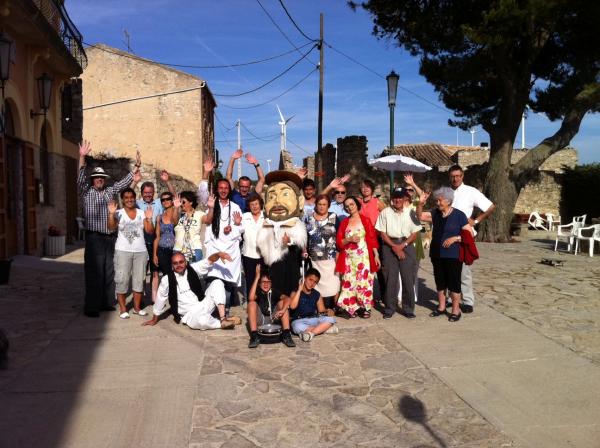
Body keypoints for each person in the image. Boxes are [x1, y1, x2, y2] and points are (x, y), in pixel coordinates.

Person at [77, 140, 139, 318]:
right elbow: (80, 177)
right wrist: (81, 156)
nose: (99, 180)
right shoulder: (86, 191)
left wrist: (135, 169)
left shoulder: (110, 191)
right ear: (92, 180)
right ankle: (92, 306)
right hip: (94, 237)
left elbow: (124, 184)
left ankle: (107, 302)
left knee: (109, 270)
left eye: (101, 178)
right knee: (94, 271)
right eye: (97, 177)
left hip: (110, 236)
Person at [142, 252, 242, 330]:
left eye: (181, 262)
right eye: (175, 263)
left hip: (202, 304)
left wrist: (218, 254)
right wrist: (154, 319)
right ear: (172, 265)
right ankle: (220, 324)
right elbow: (160, 298)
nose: (179, 265)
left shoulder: (193, 269)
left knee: (217, 282)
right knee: (202, 322)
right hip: (189, 315)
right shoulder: (166, 279)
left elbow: (208, 261)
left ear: (185, 262)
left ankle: (223, 318)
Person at [417, 188, 471, 322]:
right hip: (437, 253)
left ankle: (455, 310)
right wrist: (420, 204)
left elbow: (469, 235)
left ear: (448, 201)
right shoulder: (435, 213)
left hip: (453, 254)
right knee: (440, 281)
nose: (437, 202)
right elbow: (420, 216)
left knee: (454, 282)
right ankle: (441, 307)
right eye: (437, 200)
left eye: (440, 200)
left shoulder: (459, 215)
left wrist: (456, 238)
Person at [448, 165, 496, 313]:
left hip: (464, 235)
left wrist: (475, 221)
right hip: (448, 236)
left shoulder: (471, 191)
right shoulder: (446, 192)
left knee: (464, 270)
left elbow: (490, 207)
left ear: (462, 176)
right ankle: (451, 298)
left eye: (458, 176)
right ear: (449, 177)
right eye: (453, 176)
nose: (455, 179)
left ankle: (468, 301)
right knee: (449, 268)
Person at [256, 170, 307, 296]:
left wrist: (289, 241)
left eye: (285, 194)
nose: (277, 201)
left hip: (291, 265)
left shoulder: (296, 224)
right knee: (275, 289)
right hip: (273, 267)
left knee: (291, 287)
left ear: (299, 202)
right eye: (272, 196)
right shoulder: (266, 224)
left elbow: (302, 242)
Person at [375, 189, 422, 319]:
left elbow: (415, 234)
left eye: (400, 197)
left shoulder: (410, 212)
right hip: (389, 246)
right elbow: (382, 233)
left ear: (404, 199)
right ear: (392, 198)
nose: (397, 200)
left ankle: (408, 308)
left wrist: (402, 246)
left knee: (408, 278)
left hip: (406, 245)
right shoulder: (385, 212)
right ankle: (390, 308)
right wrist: (394, 247)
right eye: (395, 197)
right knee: (390, 278)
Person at [107, 188, 153, 319]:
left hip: (141, 251)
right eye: (126, 197)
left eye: (131, 197)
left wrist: (149, 219)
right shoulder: (118, 213)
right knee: (122, 279)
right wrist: (111, 214)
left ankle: (137, 308)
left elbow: (150, 231)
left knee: (139, 280)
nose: (129, 200)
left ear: (135, 197)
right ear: (122, 199)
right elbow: (111, 227)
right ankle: (123, 309)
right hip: (122, 251)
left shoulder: (141, 213)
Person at [335, 196, 381, 318]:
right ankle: (351, 307)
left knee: (364, 282)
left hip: (364, 257)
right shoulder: (345, 222)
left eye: (351, 204)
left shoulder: (365, 220)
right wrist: (349, 239)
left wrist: (376, 255)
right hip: (349, 258)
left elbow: (372, 238)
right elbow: (339, 242)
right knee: (349, 282)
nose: (349, 207)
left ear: (356, 205)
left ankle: (365, 307)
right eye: (347, 206)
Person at [204, 178, 243, 314]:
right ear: (217, 189)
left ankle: (224, 307)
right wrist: (210, 208)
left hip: (230, 249)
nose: (223, 190)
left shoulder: (235, 207)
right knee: (214, 277)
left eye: (226, 188)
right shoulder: (211, 204)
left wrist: (234, 226)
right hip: (214, 248)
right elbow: (207, 222)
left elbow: (241, 230)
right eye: (220, 188)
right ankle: (211, 306)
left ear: (229, 190)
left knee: (227, 279)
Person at [137, 172, 176, 303]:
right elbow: (125, 198)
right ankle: (140, 296)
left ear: (153, 193)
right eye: (146, 192)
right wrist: (134, 181)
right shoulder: (137, 204)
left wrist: (167, 181)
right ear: (142, 193)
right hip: (141, 242)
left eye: (150, 192)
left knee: (155, 272)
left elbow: (173, 197)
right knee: (141, 271)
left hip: (156, 242)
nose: (148, 194)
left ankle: (155, 298)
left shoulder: (159, 202)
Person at [304, 194, 339, 314]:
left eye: (324, 204)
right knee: (317, 282)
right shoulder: (308, 217)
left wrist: (339, 254)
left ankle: (335, 306)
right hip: (314, 258)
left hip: (330, 257)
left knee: (333, 282)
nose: (322, 207)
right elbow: (304, 236)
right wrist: (304, 250)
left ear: (328, 206)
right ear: (316, 205)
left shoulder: (334, 217)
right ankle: (320, 306)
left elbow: (339, 237)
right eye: (319, 204)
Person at [247, 265, 295, 348]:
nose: (266, 284)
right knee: (251, 304)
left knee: (282, 302)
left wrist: (283, 310)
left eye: (268, 282)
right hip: (261, 319)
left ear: (271, 283)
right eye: (263, 282)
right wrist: (257, 277)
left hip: (273, 318)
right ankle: (254, 336)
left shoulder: (274, 291)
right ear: (259, 283)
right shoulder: (258, 292)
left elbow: (288, 298)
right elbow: (251, 298)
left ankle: (287, 335)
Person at [289, 268, 337, 342]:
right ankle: (323, 329)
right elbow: (292, 306)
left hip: (313, 320)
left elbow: (322, 311)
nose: (312, 284)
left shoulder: (316, 294)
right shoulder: (295, 292)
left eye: (315, 282)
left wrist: (328, 311)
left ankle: (311, 333)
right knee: (296, 327)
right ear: (304, 278)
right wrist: (299, 290)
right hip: (299, 321)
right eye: (310, 280)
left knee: (331, 319)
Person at [173, 191, 212, 263]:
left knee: (193, 273)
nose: (181, 204)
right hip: (178, 250)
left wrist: (211, 208)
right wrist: (176, 208)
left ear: (191, 202)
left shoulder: (199, 214)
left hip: (195, 249)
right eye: (180, 202)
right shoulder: (178, 215)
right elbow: (174, 222)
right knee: (179, 274)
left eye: (183, 202)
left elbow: (209, 220)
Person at [240, 192, 264, 299]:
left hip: (263, 255)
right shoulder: (245, 216)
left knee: (262, 279)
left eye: (256, 204)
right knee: (250, 279)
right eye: (252, 204)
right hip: (248, 254)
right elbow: (239, 231)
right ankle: (251, 302)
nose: (254, 206)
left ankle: (261, 301)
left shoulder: (266, 217)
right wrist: (237, 223)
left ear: (260, 204)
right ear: (249, 206)